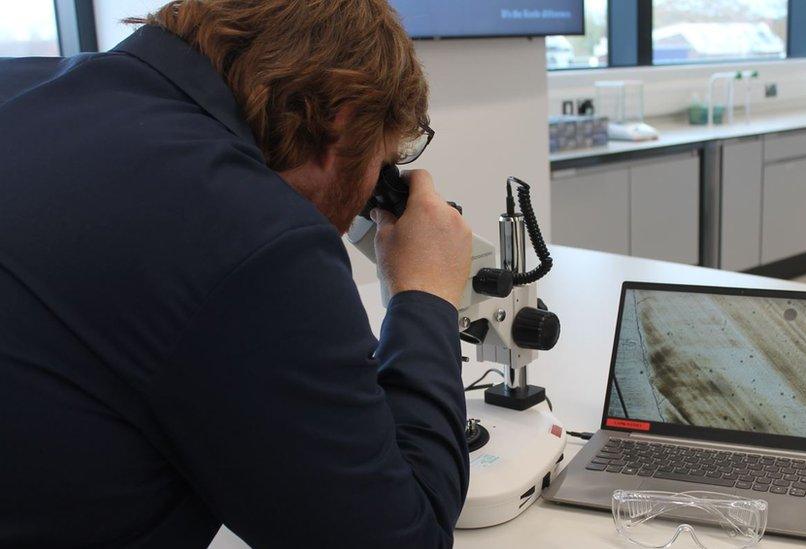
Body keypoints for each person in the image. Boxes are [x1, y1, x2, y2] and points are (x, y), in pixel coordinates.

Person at [0, 1, 473, 547]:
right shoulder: (254, 236)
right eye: (380, 158)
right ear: (339, 120)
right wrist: (425, 294)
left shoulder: (29, 90)